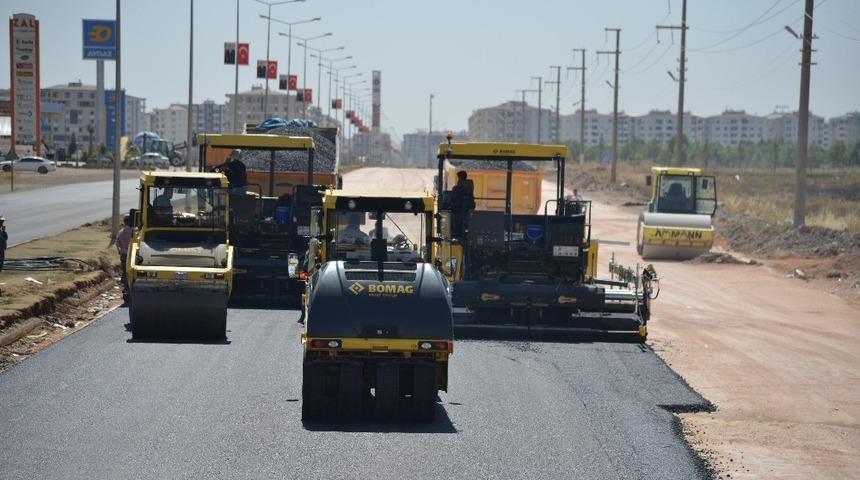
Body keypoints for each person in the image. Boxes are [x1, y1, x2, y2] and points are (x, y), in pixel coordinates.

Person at [448, 170, 475, 241]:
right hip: (467, 213)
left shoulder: (457, 189)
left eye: (459, 178)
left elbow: (452, 199)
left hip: (458, 212)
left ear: (460, 178)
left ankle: (455, 236)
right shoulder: (470, 186)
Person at [116, 215, 133, 294]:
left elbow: (117, 244)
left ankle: (126, 288)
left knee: (124, 271)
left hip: (123, 253)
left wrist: (119, 250)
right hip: (132, 254)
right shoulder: (133, 232)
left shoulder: (121, 232)